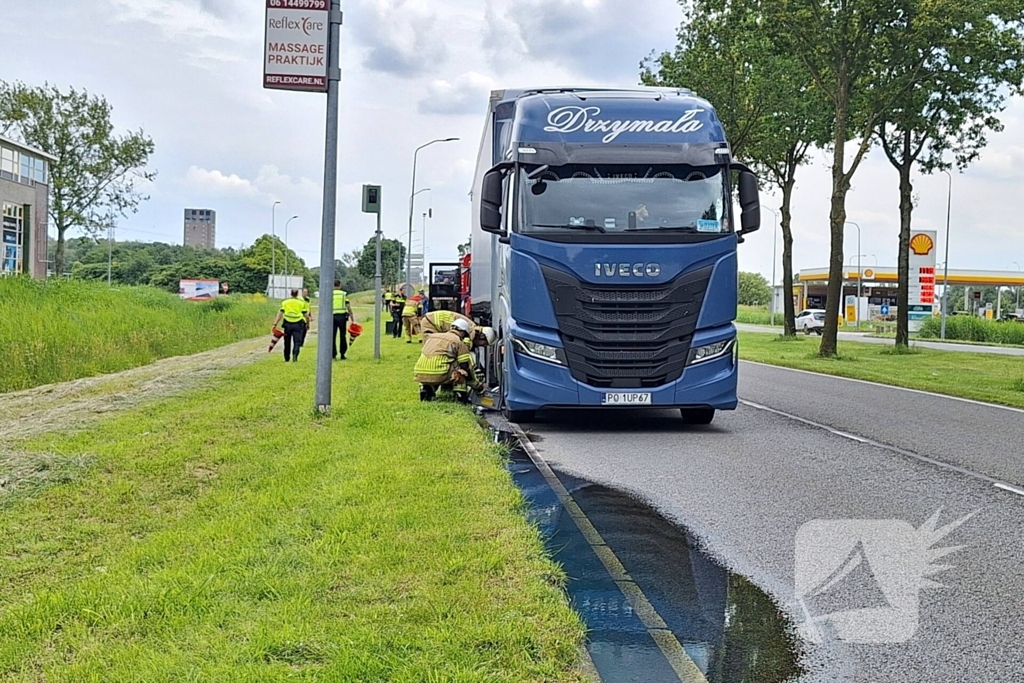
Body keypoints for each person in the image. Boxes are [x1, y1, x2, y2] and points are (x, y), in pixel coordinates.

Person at [414, 318, 489, 403]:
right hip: (439, 374)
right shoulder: (458, 342)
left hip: (420, 373)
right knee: (461, 368)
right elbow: (466, 367)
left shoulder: (432, 337)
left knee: (439, 363)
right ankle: (460, 394)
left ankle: (426, 389)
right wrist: (477, 386)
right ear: (462, 332)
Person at [420, 310, 497, 351]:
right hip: (431, 323)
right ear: (482, 336)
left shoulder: (471, 328)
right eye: (483, 344)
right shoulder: (469, 331)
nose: (481, 346)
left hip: (431, 320)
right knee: (432, 347)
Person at [273, 289, 309, 362]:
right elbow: (306, 315)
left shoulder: (285, 302)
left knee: (287, 341)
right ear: (297, 294)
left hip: (287, 325)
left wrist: (275, 323)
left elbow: (280, 314)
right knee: (297, 342)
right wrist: (307, 323)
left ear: (291, 294)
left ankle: (287, 358)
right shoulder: (301, 303)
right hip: (298, 324)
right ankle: (295, 356)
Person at [331, 280, 355, 360]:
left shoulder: (330, 293)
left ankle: (333, 355)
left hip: (332, 317)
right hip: (342, 317)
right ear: (339, 285)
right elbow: (348, 306)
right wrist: (352, 319)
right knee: (342, 336)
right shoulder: (344, 294)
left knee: (332, 336)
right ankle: (342, 354)